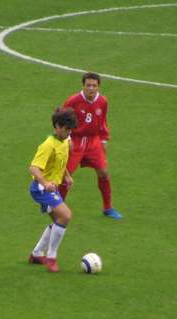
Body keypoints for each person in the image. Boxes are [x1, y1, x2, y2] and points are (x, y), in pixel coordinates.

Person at [60, 72, 122, 219]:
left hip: (93, 141)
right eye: (88, 85)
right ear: (83, 86)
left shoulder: (103, 101)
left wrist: (104, 139)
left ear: (98, 87)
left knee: (104, 172)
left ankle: (108, 208)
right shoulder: (73, 100)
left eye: (94, 86)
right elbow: (61, 119)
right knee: (65, 175)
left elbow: (103, 121)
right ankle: (57, 206)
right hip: (75, 141)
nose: (91, 88)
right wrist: (66, 138)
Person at [28, 108, 77, 273]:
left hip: (52, 188)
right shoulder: (48, 145)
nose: (69, 133)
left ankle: (36, 254)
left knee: (58, 220)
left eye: (70, 130)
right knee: (66, 215)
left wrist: (67, 176)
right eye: (67, 129)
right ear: (57, 126)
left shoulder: (64, 142)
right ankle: (51, 257)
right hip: (41, 189)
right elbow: (33, 168)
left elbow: (59, 163)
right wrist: (45, 182)